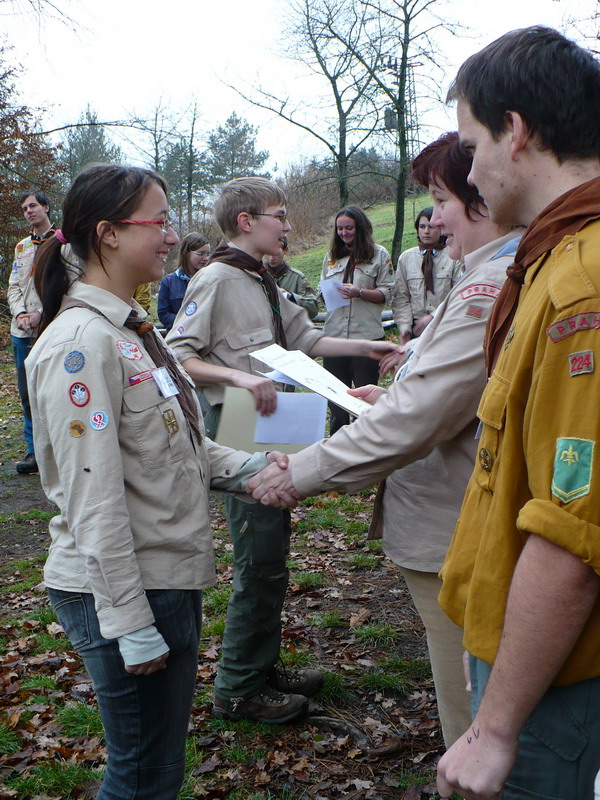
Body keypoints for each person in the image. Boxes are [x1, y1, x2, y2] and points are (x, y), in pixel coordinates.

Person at [246, 131, 520, 747]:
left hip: (454, 527)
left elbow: (422, 419)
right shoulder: (484, 276)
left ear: (485, 198)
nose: (435, 218)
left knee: (472, 713)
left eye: (442, 199)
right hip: (453, 516)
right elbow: (439, 402)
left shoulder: (487, 286)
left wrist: (301, 472)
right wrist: (389, 399)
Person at [27, 164, 289, 800]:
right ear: (109, 233)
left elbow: (177, 449)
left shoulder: (129, 332)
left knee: (157, 768)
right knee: (144, 775)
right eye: (160, 221)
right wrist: (127, 620)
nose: (171, 237)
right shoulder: (81, 345)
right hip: (130, 586)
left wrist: (265, 468)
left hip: (164, 573)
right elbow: (91, 494)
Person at [431, 27, 600, 800]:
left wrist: (495, 730)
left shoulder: (583, 288)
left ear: (518, 131)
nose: (469, 170)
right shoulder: (550, 262)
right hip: (529, 658)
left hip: (552, 680)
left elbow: (574, 533)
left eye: (471, 145)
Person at [165, 177, 401, 724]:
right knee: (257, 559)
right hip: (238, 427)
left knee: (273, 553)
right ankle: (238, 689)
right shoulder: (218, 278)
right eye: (279, 214)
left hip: (270, 425)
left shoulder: (263, 280)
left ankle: (261, 666)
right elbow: (179, 354)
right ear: (247, 221)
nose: (288, 225)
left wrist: (370, 345)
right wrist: (239, 379)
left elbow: (307, 340)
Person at [320, 205, 394, 434]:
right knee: (337, 404)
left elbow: (387, 293)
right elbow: (320, 294)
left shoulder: (379, 254)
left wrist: (359, 292)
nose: (344, 233)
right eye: (340, 229)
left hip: (366, 340)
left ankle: (365, 447)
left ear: (360, 228)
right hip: (335, 340)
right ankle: (336, 449)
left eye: (349, 228)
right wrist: (326, 293)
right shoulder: (331, 257)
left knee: (364, 402)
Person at [7, 190, 55, 474]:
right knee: (27, 394)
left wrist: (42, 313)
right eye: (24, 208)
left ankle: (57, 450)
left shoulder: (64, 242)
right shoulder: (22, 247)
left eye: (33, 205)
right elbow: (14, 286)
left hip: (51, 327)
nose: (28, 211)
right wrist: (21, 314)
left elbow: (69, 284)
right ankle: (33, 452)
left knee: (51, 391)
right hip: (23, 331)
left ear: (46, 207)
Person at [392, 207, 462, 343]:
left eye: (431, 227)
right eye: (422, 226)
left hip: (445, 327)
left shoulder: (453, 256)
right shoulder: (406, 258)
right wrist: (405, 327)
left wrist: (434, 317)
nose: (426, 231)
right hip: (416, 329)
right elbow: (401, 297)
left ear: (441, 229)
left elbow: (457, 295)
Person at [157, 232, 210, 331]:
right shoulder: (169, 282)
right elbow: (163, 314)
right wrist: (186, 322)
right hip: (178, 337)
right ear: (186, 253)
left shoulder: (210, 280)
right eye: (200, 254)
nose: (205, 258)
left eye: (207, 254)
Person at [264, 236, 319, 320]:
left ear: (285, 250)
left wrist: (291, 297)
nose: (271, 258)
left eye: (276, 253)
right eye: (268, 253)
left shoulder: (297, 278)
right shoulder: (258, 276)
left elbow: (313, 309)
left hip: (291, 329)